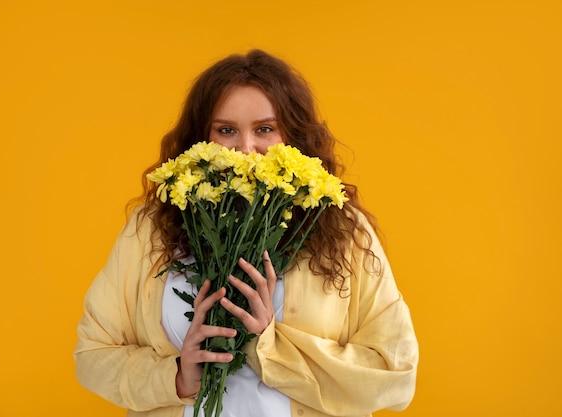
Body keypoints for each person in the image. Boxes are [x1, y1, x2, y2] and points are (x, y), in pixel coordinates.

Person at [74, 49, 418, 417]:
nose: (246, 150)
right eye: (226, 130)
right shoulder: (150, 228)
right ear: (200, 140)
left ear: (294, 137)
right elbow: (92, 355)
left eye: (265, 129)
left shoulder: (344, 230)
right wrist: (176, 377)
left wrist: (267, 342)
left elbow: (394, 374)